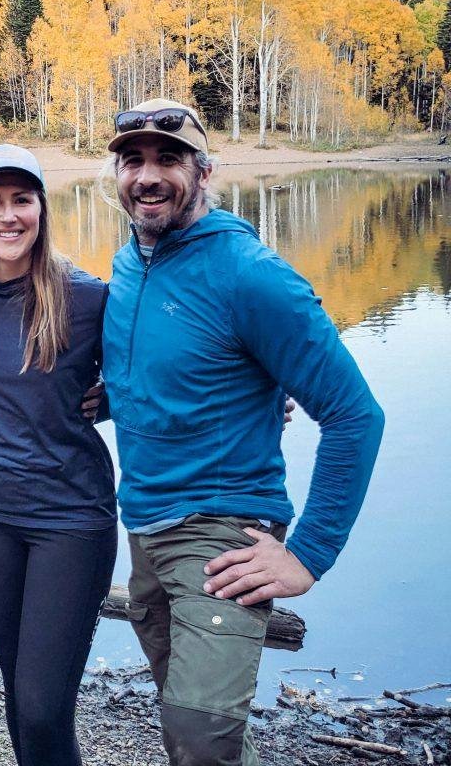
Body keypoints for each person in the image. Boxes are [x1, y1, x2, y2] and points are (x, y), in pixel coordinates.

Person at [100, 98, 384, 766]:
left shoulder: (251, 277)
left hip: (224, 538)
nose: (148, 176)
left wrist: (309, 555)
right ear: (113, 171)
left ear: (205, 172)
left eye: (169, 159)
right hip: (145, 531)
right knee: (187, 724)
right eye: (133, 159)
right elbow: (173, 372)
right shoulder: (130, 265)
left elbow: (355, 415)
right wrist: (103, 398)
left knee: (203, 736)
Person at [0, 145, 117, 766]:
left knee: (44, 705)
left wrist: (262, 394)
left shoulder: (89, 298)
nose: (7, 216)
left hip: (71, 519)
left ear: (43, 209)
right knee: (19, 692)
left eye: (22, 200)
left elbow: (163, 369)